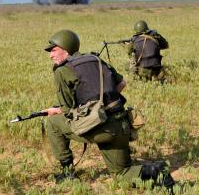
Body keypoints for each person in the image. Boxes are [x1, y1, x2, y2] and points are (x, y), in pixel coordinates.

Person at [42, 29, 175, 192]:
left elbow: (68, 110)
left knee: (54, 123)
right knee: (122, 174)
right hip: (122, 124)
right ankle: (157, 171)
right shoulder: (95, 59)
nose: (51, 55)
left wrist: (56, 111)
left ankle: (66, 172)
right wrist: (103, 101)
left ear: (66, 48)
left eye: (53, 50)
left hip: (101, 128)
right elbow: (122, 83)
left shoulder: (62, 70)